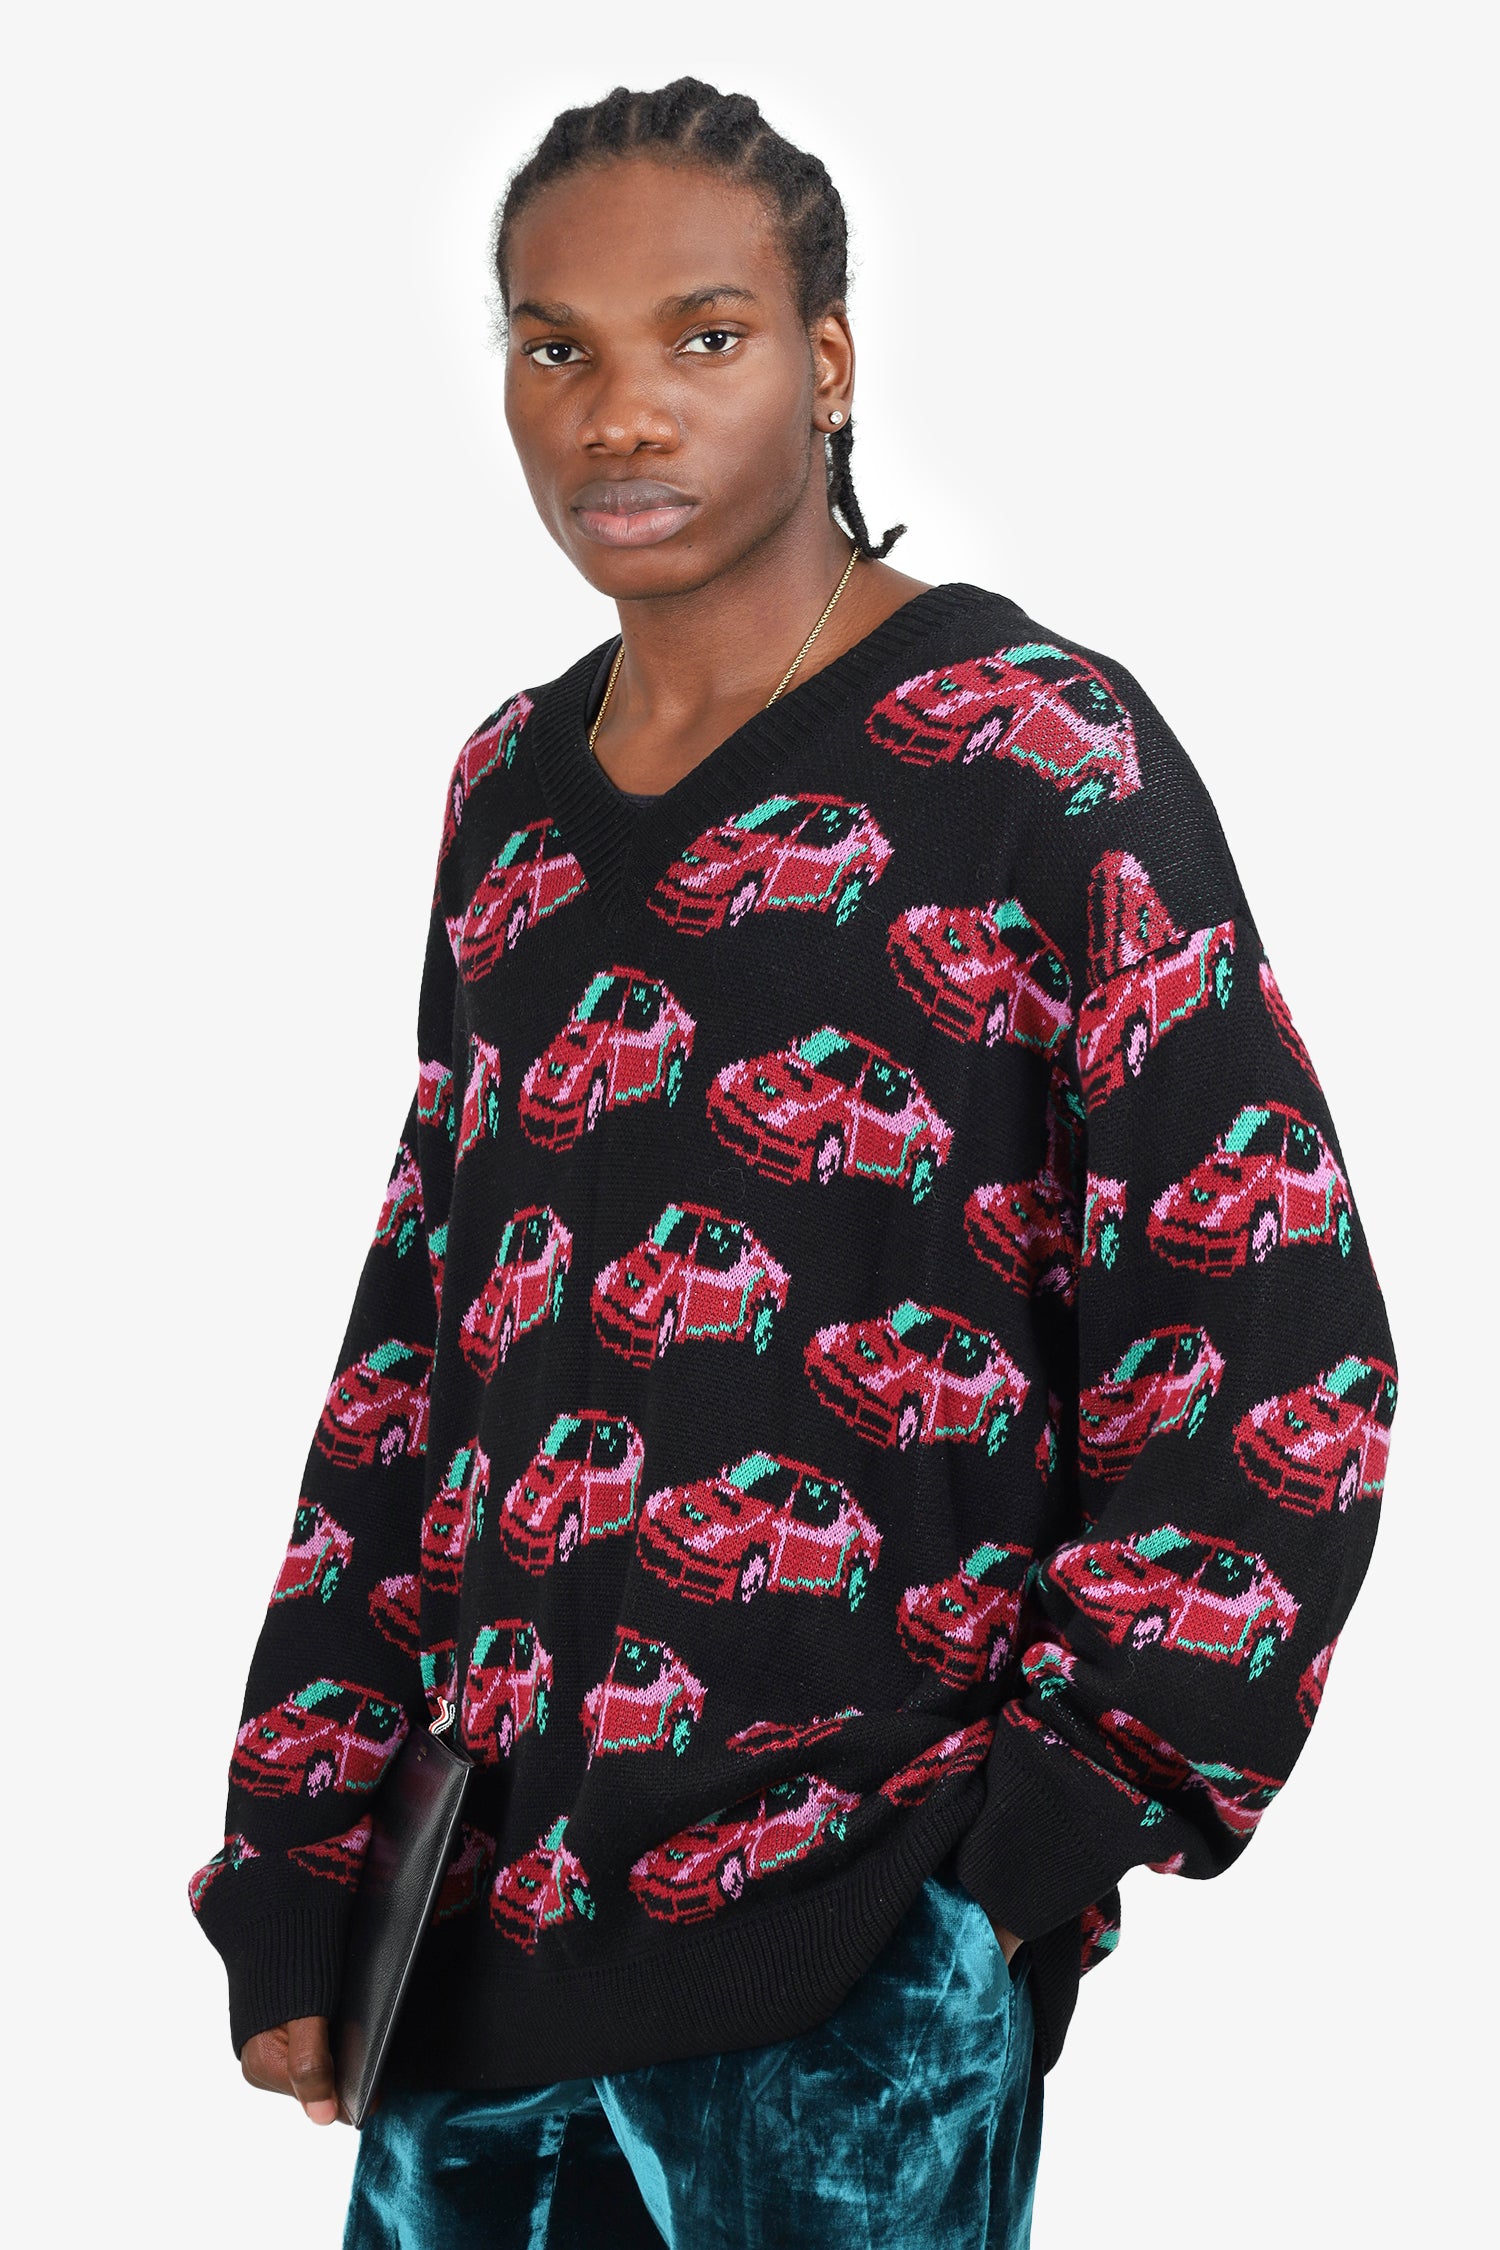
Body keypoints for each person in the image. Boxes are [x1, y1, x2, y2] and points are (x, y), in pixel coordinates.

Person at [190, 78, 1397, 2250]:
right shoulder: (509, 797)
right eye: (556, 346)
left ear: (828, 361)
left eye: (706, 335)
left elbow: (1271, 1327)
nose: (622, 412)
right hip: (479, 1949)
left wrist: (1034, 1844)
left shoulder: (1037, 756)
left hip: (853, 1947)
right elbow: (422, 1341)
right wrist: (302, 1828)